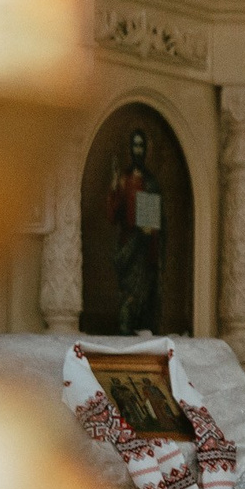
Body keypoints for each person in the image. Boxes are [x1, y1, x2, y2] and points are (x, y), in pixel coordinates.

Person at [106, 126, 165, 334]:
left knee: (143, 297)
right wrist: (114, 188)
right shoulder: (123, 179)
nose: (138, 150)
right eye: (135, 146)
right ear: (130, 149)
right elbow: (113, 216)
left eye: (141, 146)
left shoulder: (151, 182)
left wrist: (152, 237)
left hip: (146, 248)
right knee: (128, 295)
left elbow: (157, 222)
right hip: (128, 246)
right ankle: (124, 334)